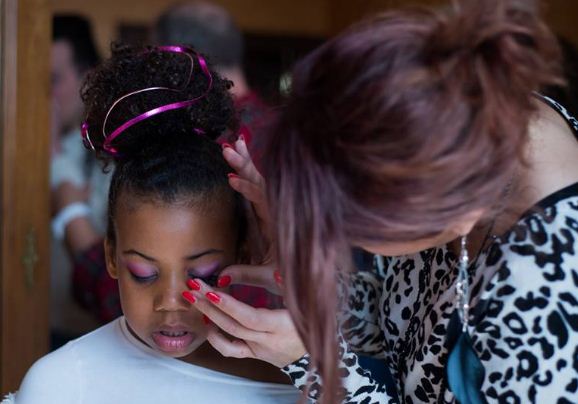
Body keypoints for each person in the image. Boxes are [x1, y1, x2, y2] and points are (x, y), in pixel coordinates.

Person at [183, 1, 578, 403]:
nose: (330, 237)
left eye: (351, 234)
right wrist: (313, 281)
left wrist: (316, 365)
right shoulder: (451, 113)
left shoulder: (551, 295)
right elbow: (399, 325)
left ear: (459, 215)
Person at [5, 44, 299, 404]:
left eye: (203, 273)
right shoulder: (59, 386)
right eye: (143, 273)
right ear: (111, 255)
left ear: (242, 251)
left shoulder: (297, 386)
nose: (171, 302)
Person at [50, 14, 117, 347]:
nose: (44, 96)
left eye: (53, 80)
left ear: (86, 79)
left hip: (98, 332)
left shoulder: (115, 146)